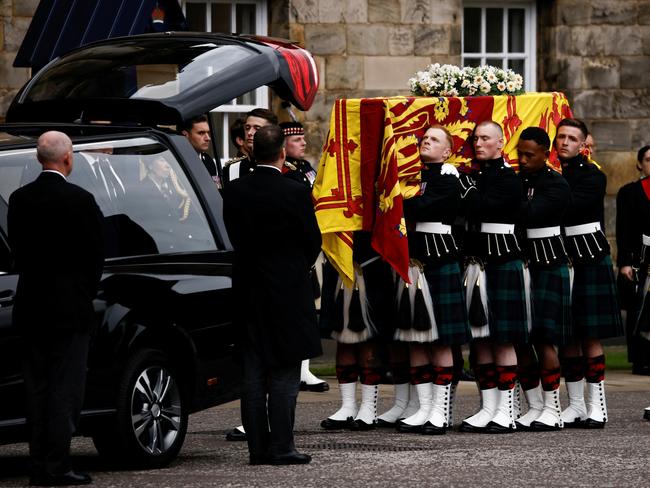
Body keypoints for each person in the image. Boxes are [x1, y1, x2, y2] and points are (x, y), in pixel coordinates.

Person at [8, 131, 104, 486]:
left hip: (31, 304)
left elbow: (18, 249)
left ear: (38, 159)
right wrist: (83, 292)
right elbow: (95, 255)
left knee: (36, 388)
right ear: (68, 158)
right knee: (65, 389)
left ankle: (38, 464)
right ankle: (58, 464)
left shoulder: (19, 199)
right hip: (69, 308)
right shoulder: (80, 200)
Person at [222, 124, 322, 465]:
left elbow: (232, 235)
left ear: (252, 152)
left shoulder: (234, 191)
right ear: (282, 153)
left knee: (252, 374)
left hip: (248, 287)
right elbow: (312, 241)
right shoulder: (293, 190)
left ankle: (257, 449)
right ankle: (281, 446)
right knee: (282, 371)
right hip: (286, 289)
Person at [394, 125, 471, 434]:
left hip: (440, 260)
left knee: (440, 339)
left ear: (447, 151)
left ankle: (439, 411)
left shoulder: (450, 179)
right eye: (424, 138)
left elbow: (426, 206)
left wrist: (397, 201)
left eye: (435, 140)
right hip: (413, 261)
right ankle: (424, 407)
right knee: (415, 336)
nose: (426, 141)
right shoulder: (414, 177)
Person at [458, 120, 529, 434]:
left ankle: (507, 409)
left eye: (485, 138)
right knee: (480, 339)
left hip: (502, 262)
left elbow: (486, 208)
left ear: (501, 143)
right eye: (475, 138)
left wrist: (466, 191)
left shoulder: (509, 178)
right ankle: (489, 407)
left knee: (502, 337)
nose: (478, 143)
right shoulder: (476, 176)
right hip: (477, 263)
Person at [556, 118, 623, 428]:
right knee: (567, 334)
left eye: (572, 138)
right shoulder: (552, 174)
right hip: (561, 256)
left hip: (589, 256)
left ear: (583, 144)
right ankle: (576, 405)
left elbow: (570, 207)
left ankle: (598, 406)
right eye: (561, 137)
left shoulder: (593, 175)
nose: (565, 142)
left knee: (590, 335)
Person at [514, 127, 572, 431]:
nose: (522, 160)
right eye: (519, 154)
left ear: (545, 154)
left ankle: (553, 408)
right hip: (522, 262)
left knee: (545, 338)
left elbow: (531, 214)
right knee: (521, 337)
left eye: (529, 155)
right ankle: (534, 405)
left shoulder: (556, 184)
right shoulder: (518, 180)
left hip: (548, 262)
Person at [279, 120, 329, 392]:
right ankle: (294, 368)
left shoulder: (306, 169)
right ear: (284, 144)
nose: (304, 143)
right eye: (297, 140)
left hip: (311, 245)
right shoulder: (284, 172)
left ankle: (304, 369)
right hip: (294, 247)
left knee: (308, 307)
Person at [616, 145, 650, 376]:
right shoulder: (629, 192)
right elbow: (623, 229)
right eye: (648, 159)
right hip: (640, 258)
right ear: (640, 163)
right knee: (638, 308)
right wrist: (625, 261)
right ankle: (640, 359)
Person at [222, 108, 278, 187]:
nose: (250, 133)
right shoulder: (232, 169)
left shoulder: (287, 170)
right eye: (247, 128)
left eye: (257, 128)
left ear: (272, 132)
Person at [180, 115, 221, 188]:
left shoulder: (208, 161)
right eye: (201, 133)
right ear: (185, 135)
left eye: (208, 133)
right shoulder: (177, 161)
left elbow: (216, 189)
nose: (208, 138)